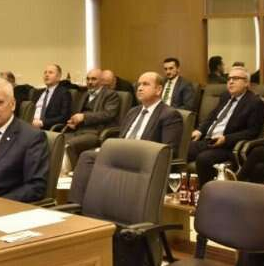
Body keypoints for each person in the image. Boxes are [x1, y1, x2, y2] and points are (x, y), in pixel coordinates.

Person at [69, 72, 183, 204]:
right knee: (87, 156)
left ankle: (81, 205)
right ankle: (77, 205)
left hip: (143, 158)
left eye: (145, 84)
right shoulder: (133, 111)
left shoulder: (169, 114)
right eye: (139, 84)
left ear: (158, 90)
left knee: (89, 157)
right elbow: (121, 137)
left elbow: (169, 150)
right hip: (122, 153)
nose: (140, 88)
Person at [187, 66, 264, 184]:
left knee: (203, 159)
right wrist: (200, 130)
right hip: (208, 140)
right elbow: (212, 117)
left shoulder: (255, 103)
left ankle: (207, 192)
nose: (230, 82)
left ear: (246, 83)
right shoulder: (225, 96)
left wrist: (226, 139)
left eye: (235, 78)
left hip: (228, 146)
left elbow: (252, 132)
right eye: (229, 79)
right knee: (180, 149)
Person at [63, 68, 120, 167]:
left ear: (101, 81)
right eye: (88, 79)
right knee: (56, 141)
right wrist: (73, 121)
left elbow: (108, 114)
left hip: (95, 133)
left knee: (68, 145)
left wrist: (84, 117)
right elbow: (77, 113)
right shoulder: (84, 94)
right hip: (78, 130)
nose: (89, 82)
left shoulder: (111, 95)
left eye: (93, 79)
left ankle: (74, 172)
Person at [32, 64, 72, 130]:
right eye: (45, 72)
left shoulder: (64, 93)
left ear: (58, 77)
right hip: (30, 125)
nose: (46, 75)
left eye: (50, 72)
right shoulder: (38, 92)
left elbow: (64, 117)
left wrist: (42, 122)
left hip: (46, 128)